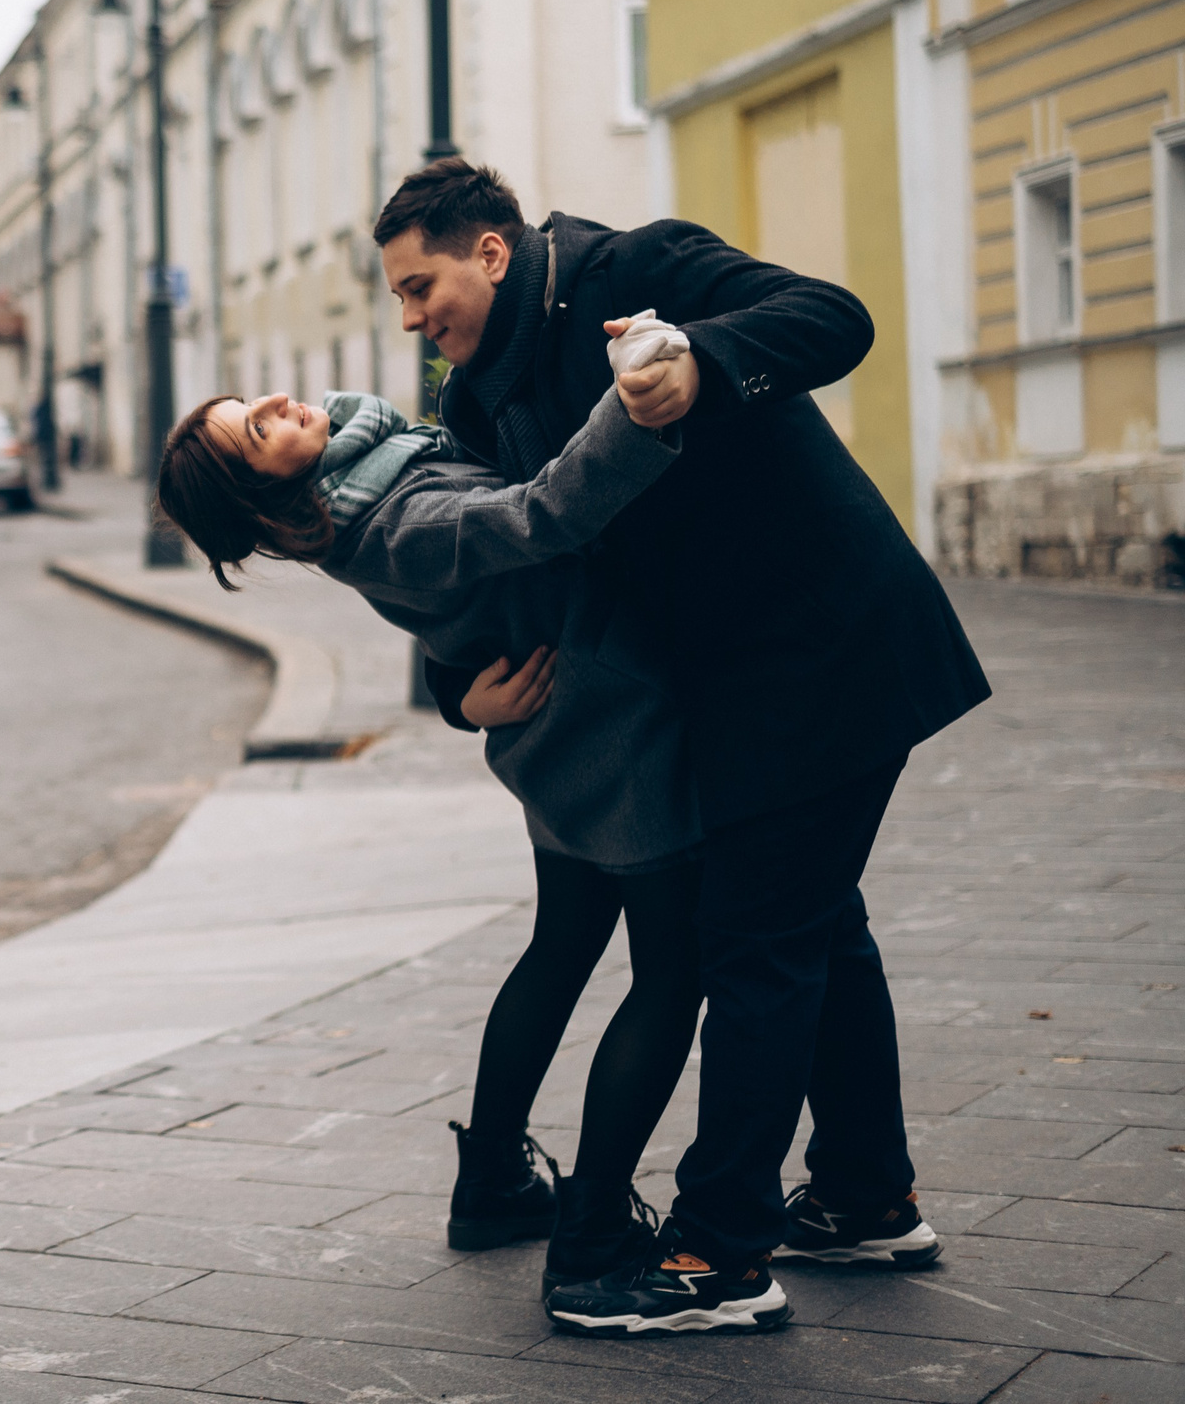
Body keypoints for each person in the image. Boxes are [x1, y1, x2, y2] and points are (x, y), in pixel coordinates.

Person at [375, 158, 989, 1338]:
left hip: (827, 645)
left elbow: (832, 316)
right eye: (399, 299)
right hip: (721, 683)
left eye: (421, 285)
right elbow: (487, 557)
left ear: (490, 251)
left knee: (753, 941)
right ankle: (867, 1195)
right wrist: (460, 695)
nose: (412, 318)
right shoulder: (473, 401)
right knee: (815, 925)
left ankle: (717, 1247)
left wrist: (699, 360)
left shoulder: (632, 266)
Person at [158, 360, 704, 1297]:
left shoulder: (366, 468)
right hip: (608, 729)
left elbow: (456, 597)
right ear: (265, 493)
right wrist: (637, 402)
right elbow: (538, 516)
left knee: (565, 944)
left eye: (248, 402)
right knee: (672, 969)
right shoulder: (387, 517)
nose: (277, 405)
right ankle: (592, 1238)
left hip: (562, 722)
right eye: (256, 431)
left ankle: (493, 1178)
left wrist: (457, 691)